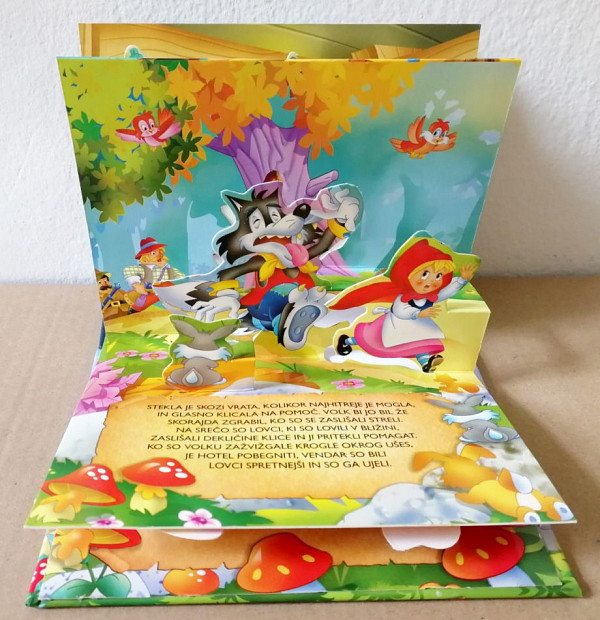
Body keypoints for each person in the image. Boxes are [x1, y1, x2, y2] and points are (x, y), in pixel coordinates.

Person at [332, 239, 477, 372]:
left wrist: (461, 280)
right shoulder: (404, 297)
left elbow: (445, 293)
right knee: (371, 339)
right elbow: (400, 311)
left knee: (420, 344)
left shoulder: (430, 295)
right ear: (408, 274)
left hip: (419, 326)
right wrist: (418, 313)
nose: (431, 281)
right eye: (425, 274)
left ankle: (426, 364)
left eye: (438, 276)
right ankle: (347, 341)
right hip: (396, 325)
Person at [123, 238, 185, 312]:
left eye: (160, 252)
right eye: (153, 253)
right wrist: (136, 284)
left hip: (162, 294)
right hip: (144, 297)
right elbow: (128, 270)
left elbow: (180, 276)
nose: (159, 255)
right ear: (145, 257)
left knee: (167, 286)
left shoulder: (165, 268)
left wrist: (167, 267)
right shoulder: (143, 268)